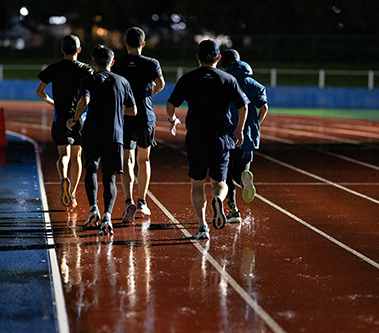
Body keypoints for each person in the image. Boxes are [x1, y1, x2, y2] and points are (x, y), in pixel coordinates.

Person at [166, 40, 249, 240]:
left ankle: (202, 225)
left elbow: (170, 104)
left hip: (196, 138)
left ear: (197, 57)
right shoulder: (228, 79)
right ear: (218, 58)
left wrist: (172, 119)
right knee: (220, 182)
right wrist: (239, 129)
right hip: (221, 138)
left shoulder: (188, 79)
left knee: (197, 184)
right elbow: (243, 106)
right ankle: (218, 199)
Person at [67, 45, 137, 236]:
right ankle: (107, 215)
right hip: (114, 136)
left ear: (93, 62)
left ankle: (93, 209)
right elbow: (133, 110)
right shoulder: (122, 82)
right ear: (112, 62)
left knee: (91, 170)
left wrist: (73, 119)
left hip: (91, 134)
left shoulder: (89, 80)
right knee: (110, 178)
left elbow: (84, 102)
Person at [112, 27, 165, 223]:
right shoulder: (152, 63)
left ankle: (128, 201)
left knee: (127, 160)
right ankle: (142, 201)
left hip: (125, 116)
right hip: (145, 116)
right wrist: (147, 93)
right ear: (143, 44)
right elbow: (161, 84)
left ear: (125, 43)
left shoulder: (117, 63)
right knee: (144, 160)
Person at [36, 35, 94, 209]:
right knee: (77, 157)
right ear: (79, 50)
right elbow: (87, 98)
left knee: (63, 155)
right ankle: (73, 194)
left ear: (62, 49)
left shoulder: (54, 69)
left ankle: (64, 179)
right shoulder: (86, 70)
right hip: (79, 118)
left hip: (60, 117)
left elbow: (40, 91)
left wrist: (53, 102)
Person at [219, 49, 268, 223]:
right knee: (240, 171)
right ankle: (244, 179)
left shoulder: (224, 81)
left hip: (226, 133)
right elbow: (264, 107)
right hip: (247, 134)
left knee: (224, 174)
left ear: (223, 64)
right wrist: (256, 124)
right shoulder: (254, 84)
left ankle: (233, 211)